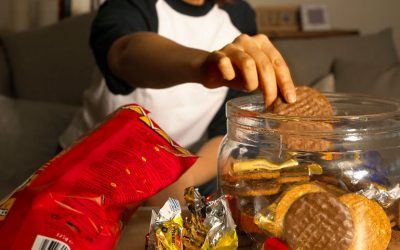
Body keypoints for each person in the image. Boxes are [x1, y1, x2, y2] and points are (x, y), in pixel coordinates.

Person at [59, 0, 296, 205]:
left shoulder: (240, 16)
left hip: (176, 173)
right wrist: (202, 65)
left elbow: (230, 127)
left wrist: (186, 177)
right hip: (90, 170)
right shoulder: (131, 5)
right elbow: (125, 55)